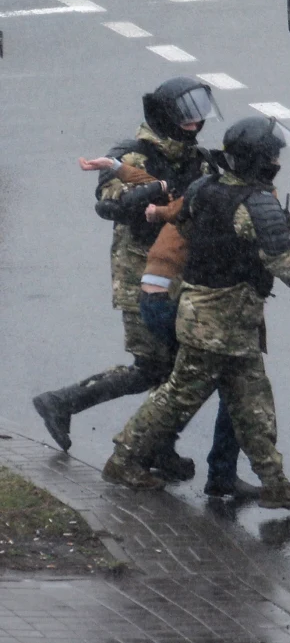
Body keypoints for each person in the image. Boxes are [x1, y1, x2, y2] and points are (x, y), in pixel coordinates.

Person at [102, 116, 290, 511]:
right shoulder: (254, 206)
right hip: (217, 327)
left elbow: (183, 221)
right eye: (274, 155)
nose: (278, 161)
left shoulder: (205, 188)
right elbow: (285, 263)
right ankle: (123, 460)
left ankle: (275, 483)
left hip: (220, 321)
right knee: (177, 397)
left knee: (253, 405)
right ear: (260, 161)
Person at [33, 77, 220, 481]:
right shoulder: (132, 155)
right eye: (185, 117)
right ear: (164, 115)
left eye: (198, 117)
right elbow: (110, 204)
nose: (193, 125)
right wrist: (154, 190)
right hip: (141, 278)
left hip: (181, 275)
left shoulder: (197, 157)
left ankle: (157, 447)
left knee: (176, 369)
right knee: (154, 368)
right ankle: (62, 402)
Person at [77, 156, 260, 499]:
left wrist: (117, 166)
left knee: (217, 386)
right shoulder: (222, 199)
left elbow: (162, 184)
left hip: (175, 302)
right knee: (186, 389)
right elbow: (168, 194)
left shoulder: (210, 191)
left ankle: (208, 470)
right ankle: (131, 457)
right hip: (171, 305)